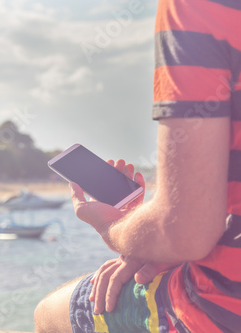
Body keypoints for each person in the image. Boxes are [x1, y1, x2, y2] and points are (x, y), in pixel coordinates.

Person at [34, 0, 241, 332]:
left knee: (48, 314)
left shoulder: (197, 6)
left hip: (224, 310)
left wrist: (116, 229)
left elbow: (185, 234)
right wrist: (161, 237)